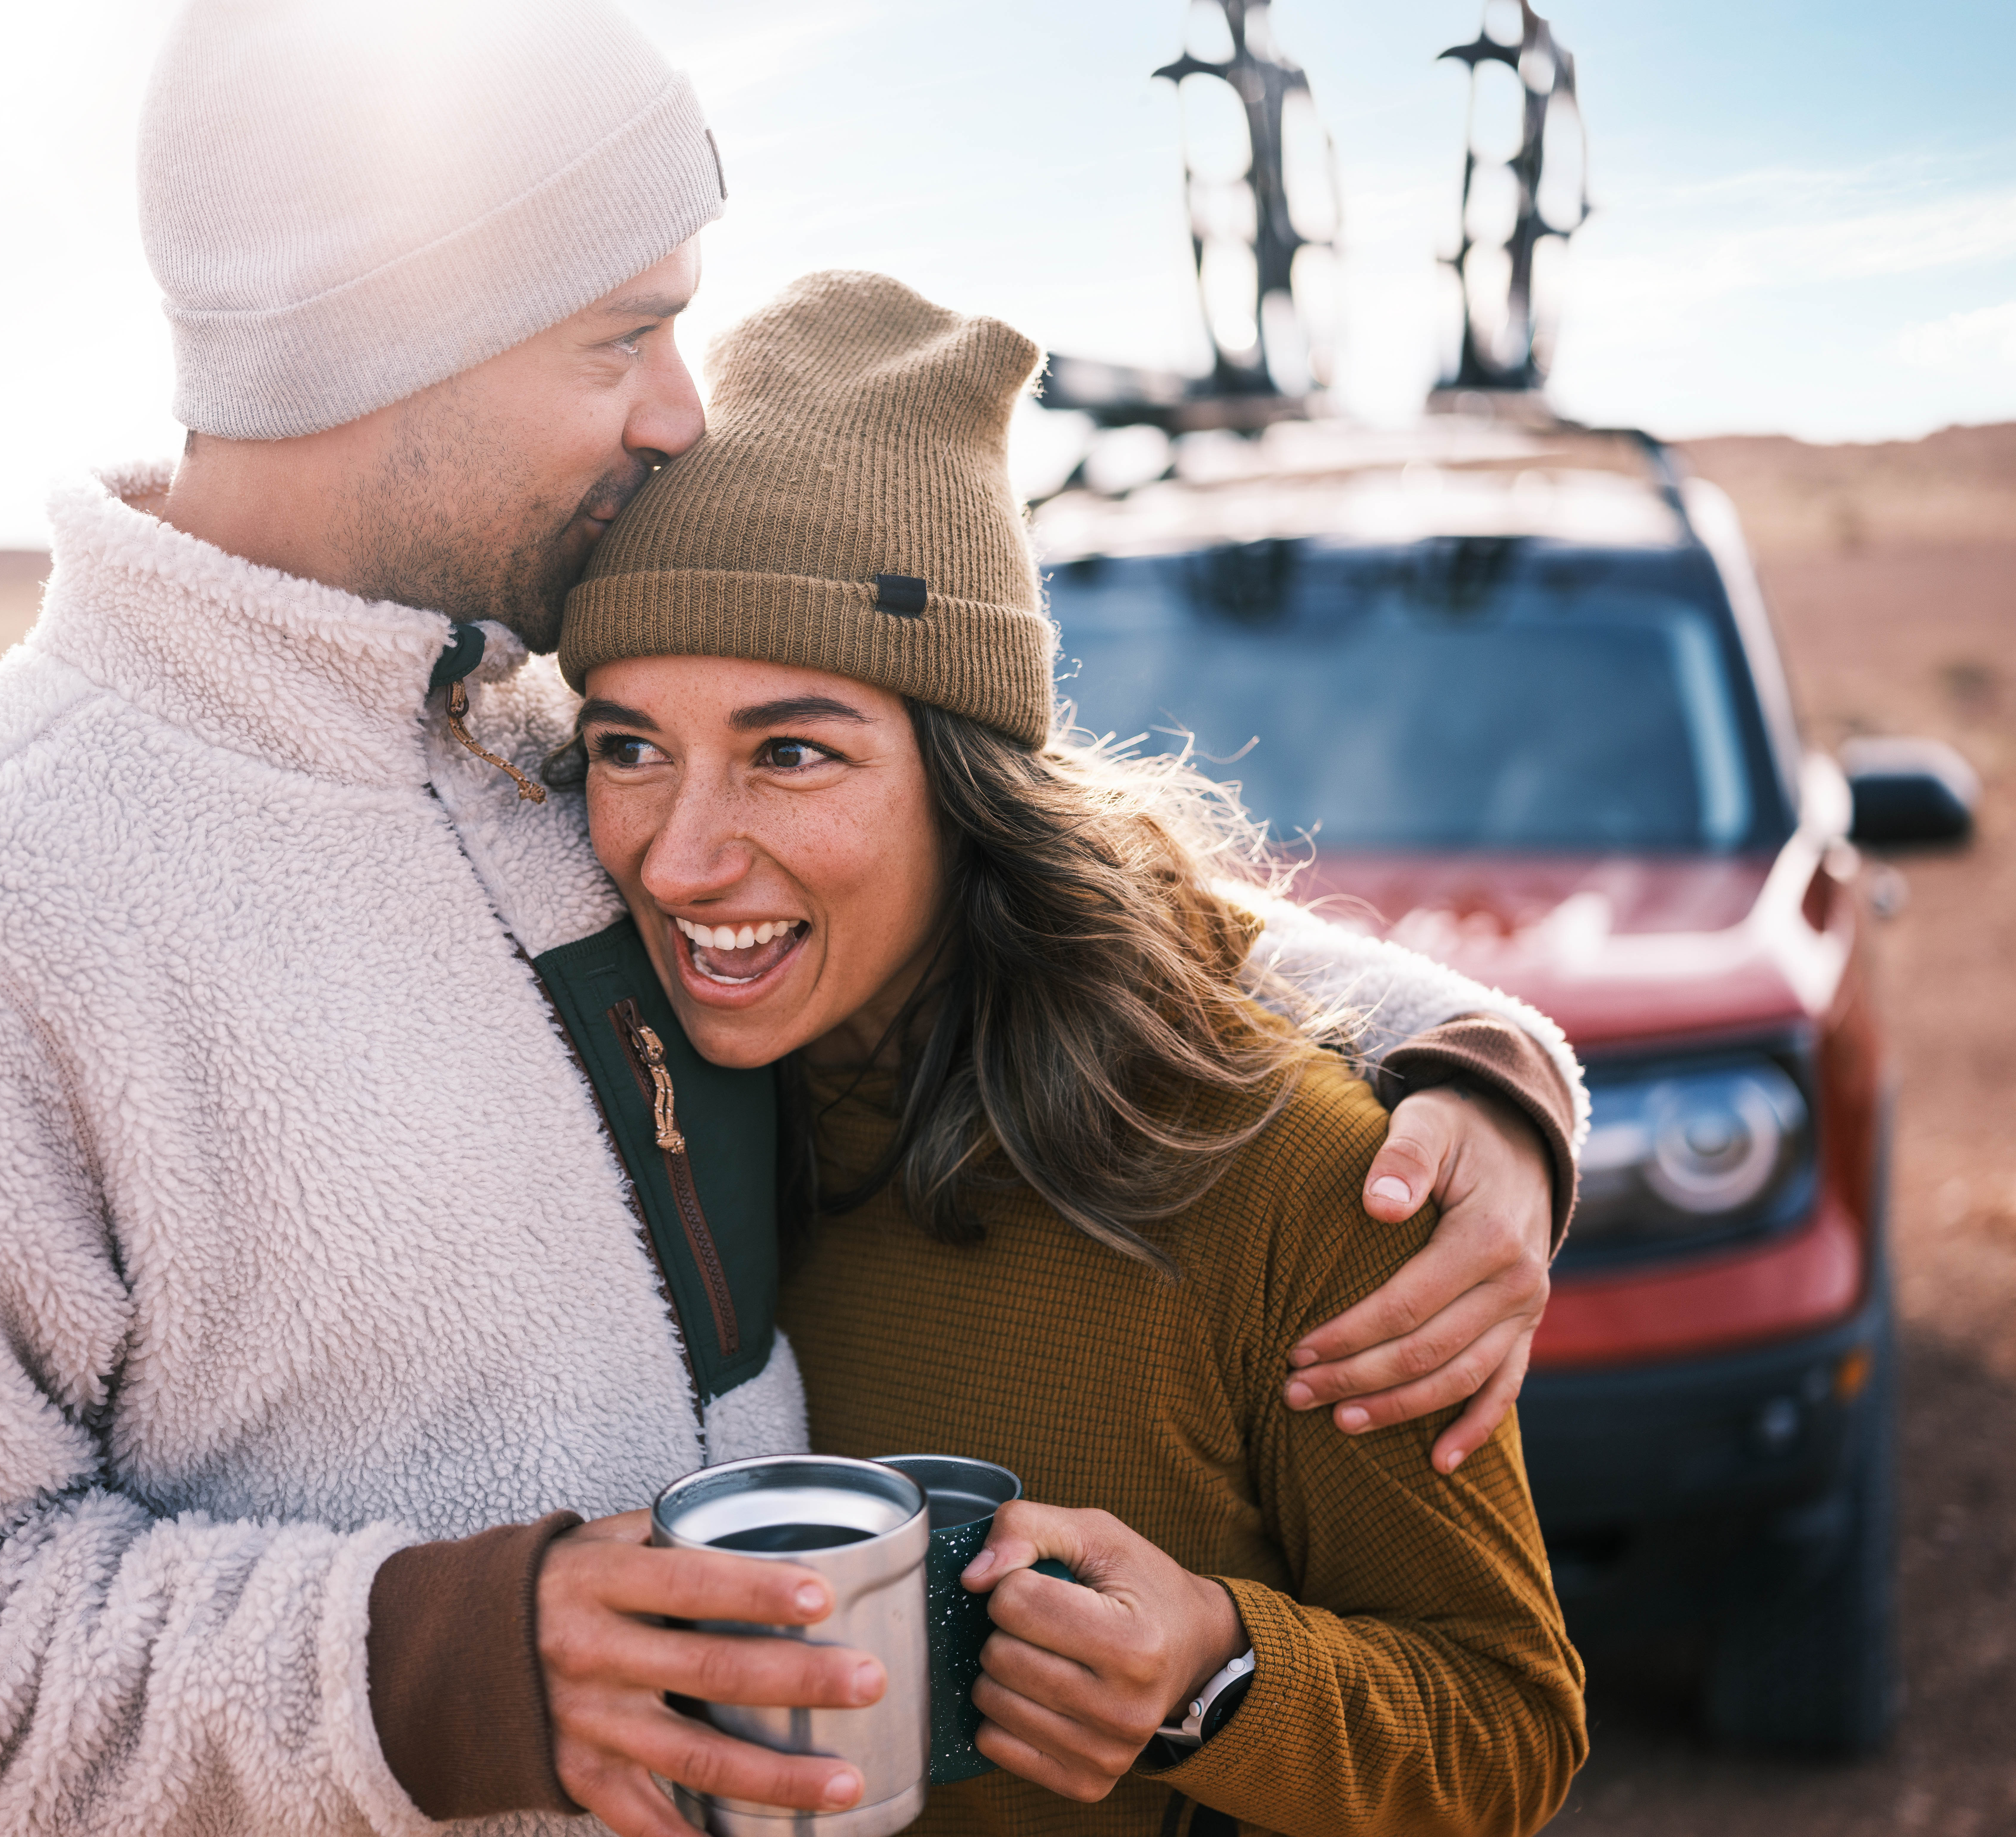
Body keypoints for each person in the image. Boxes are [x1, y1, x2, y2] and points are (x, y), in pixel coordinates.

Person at [0, 7, 1581, 1836]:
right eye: (623, 335)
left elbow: (987, 874)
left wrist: (1463, 1068)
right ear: (375, 345)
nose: (682, 411)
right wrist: (440, 1667)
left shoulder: (530, 726)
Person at [558, 270, 1585, 1836]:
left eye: (792, 752)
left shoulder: (1294, 1175)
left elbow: (1507, 1729)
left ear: (964, 780)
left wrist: (1221, 1678)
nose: (684, 859)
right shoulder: (620, 1104)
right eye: (629, 746)